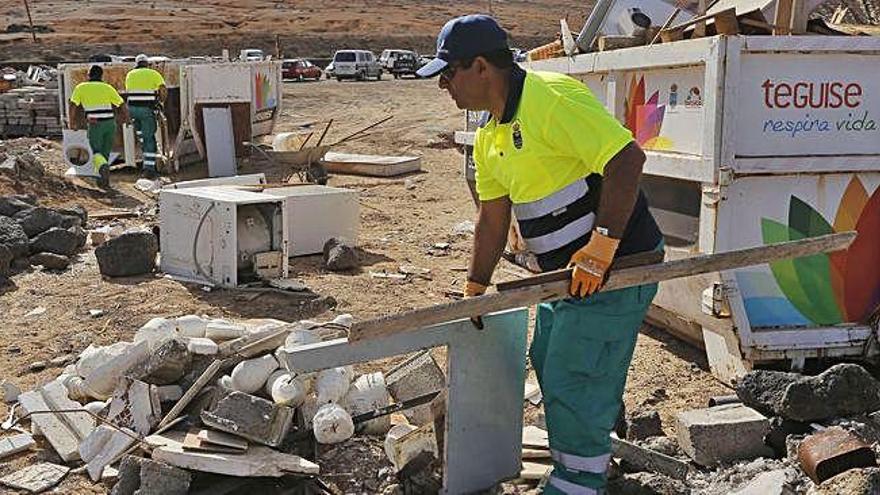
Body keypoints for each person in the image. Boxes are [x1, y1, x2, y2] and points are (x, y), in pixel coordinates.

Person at [418, 15, 663, 494]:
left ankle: (580, 481)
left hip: (618, 267)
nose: (444, 85)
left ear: (482, 67)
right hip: (567, 277)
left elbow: (626, 160)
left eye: (449, 73)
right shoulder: (489, 137)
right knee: (548, 355)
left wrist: (603, 244)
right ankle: (592, 442)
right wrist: (476, 284)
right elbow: (492, 219)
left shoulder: (550, 98)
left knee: (573, 369)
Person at [68, 65, 126, 188]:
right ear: (101, 75)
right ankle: (102, 180)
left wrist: (72, 122)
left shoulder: (81, 88)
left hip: (95, 123)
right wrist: (126, 119)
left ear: (89, 75)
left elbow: (73, 105)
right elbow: (121, 104)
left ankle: (103, 170)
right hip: (110, 123)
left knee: (96, 152)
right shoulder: (108, 88)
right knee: (105, 152)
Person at [125, 54, 167, 179]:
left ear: (136, 63)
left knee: (142, 137)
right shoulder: (153, 74)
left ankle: (147, 161)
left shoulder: (130, 75)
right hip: (146, 110)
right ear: (147, 63)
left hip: (132, 110)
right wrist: (161, 103)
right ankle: (149, 169)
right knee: (149, 138)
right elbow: (163, 90)